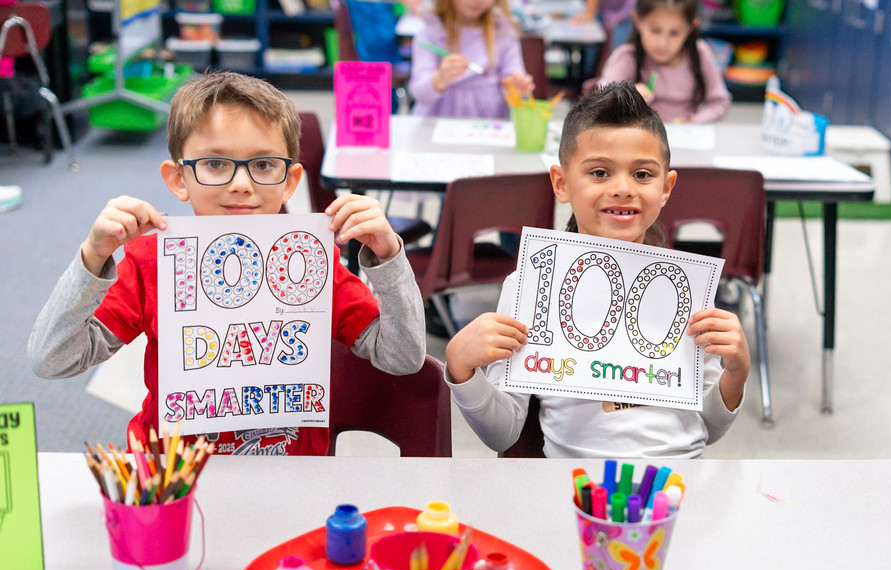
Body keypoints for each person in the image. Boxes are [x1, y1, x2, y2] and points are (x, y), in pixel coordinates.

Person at [28, 71, 426, 456]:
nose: (241, 184)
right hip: (172, 478)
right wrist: (92, 258)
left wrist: (388, 257)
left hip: (292, 478)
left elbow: (402, 357)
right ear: (179, 179)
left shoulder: (309, 265)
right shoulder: (152, 264)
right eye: (216, 164)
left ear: (290, 180)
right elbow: (53, 359)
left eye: (264, 165)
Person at [443, 81, 749, 458]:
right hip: (576, 490)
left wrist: (736, 371)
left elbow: (708, 428)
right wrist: (461, 367)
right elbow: (503, 433)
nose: (623, 188)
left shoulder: (686, 289)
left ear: (666, 187)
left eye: (642, 175)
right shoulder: (530, 286)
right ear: (561, 182)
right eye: (600, 173)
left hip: (680, 481)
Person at [598, 0, 730, 123]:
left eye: (674, 33)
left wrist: (695, 121)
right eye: (655, 31)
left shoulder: (700, 53)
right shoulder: (627, 56)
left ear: (691, 27)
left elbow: (719, 102)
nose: (663, 43)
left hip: (686, 139)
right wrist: (626, 97)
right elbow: (600, 100)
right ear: (637, 21)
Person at [408, 0, 534, 118]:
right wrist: (440, 78)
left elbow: (514, 77)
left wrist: (515, 88)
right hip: (436, 124)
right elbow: (419, 92)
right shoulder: (430, 32)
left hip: (490, 124)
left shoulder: (504, 31)